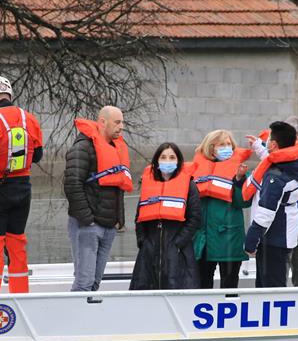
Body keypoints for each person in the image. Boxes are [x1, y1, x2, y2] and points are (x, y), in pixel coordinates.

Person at [0, 76, 44, 294]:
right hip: (23, 188)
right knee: (17, 244)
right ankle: (20, 294)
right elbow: (38, 155)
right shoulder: (30, 119)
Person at [63, 106, 133, 292]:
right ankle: (75, 319)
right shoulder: (83, 148)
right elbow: (72, 185)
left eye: (122, 122)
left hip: (108, 226)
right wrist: (88, 220)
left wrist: (119, 220)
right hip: (87, 226)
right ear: (103, 122)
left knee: (94, 282)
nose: (121, 127)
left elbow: (117, 188)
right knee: (84, 282)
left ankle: (88, 318)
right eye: (117, 122)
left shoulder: (115, 149)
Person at [248, 116, 298, 287]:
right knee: (276, 276)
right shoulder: (297, 164)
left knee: (271, 283)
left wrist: (251, 241)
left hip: (274, 236)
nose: (267, 142)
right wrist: (259, 147)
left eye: (269, 139)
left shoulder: (275, 177)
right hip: (288, 231)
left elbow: (265, 213)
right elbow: (273, 158)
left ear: (273, 144)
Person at [130, 143, 201, 290]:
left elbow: (195, 219)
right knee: (146, 292)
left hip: (178, 252)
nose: (167, 161)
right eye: (163, 157)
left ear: (178, 161)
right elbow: (139, 217)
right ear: (156, 161)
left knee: (177, 289)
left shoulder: (189, 185)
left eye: (171, 157)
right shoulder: (148, 185)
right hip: (149, 253)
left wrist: (178, 244)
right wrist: (143, 242)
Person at [192, 130, 251, 289]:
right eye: (222, 144)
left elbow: (244, 203)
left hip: (230, 237)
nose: (227, 148)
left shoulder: (240, 171)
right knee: (202, 283)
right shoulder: (196, 171)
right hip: (203, 238)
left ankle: (230, 311)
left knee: (229, 284)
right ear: (211, 148)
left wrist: (239, 180)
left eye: (229, 144)